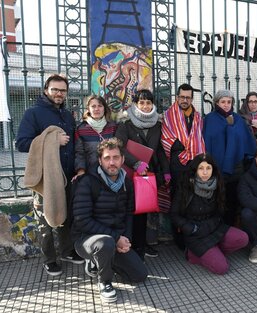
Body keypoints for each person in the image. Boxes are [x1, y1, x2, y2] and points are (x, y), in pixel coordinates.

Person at [16, 74, 83, 276]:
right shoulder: (33, 113)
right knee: (45, 220)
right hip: (45, 178)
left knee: (64, 216)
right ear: (46, 90)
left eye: (62, 90)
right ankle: (49, 259)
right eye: (55, 89)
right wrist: (53, 140)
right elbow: (22, 143)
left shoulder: (68, 115)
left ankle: (67, 251)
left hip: (67, 175)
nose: (59, 94)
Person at [72, 138, 148, 303]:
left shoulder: (126, 182)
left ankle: (100, 261)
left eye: (115, 157)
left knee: (140, 275)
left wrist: (125, 239)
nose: (111, 162)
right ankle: (104, 282)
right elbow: (82, 220)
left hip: (115, 238)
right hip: (87, 239)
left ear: (122, 159)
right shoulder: (88, 182)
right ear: (100, 160)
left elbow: (128, 213)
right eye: (107, 158)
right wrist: (115, 238)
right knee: (105, 243)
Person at [170, 153, 248, 275]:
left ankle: (213, 251)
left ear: (213, 169)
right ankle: (193, 254)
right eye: (201, 168)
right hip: (195, 233)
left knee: (242, 238)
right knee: (221, 268)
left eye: (208, 168)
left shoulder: (218, 184)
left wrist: (213, 224)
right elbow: (174, 214)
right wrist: (190, 228)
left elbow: (220, 211)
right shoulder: (186, 187)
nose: (205, 172)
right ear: (195, 170)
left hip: (214, 227)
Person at [115, 89, 169, 258]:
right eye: (141, 102)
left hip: (147, 176)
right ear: (135, 104)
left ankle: (142, 245)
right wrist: (136, 163)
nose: (145, 106)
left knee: (143, 210)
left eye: (148, 102)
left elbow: (159, 150)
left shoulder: (157, 124)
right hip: (130, 175)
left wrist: (166, 171)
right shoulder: (125, 123)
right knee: (131, 211)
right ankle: (131, 247)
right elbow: (120, 146)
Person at [203, 89, 257, 225]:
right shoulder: (209, 119)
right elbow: (206, 142)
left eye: (229, 102)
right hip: (216, 167)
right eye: (223, 102)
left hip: (236, 168)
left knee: (233, 201)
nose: (226, 105)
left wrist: (231, 126)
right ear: (216, 103)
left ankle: (231, 230)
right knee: (217, 201)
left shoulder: (237, 119)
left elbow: (246, 142)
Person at [161, 83, 205, 197]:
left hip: (195, 160)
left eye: (188, 98)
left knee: (194, 192)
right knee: (177, 194)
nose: (184, 100)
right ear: (177, 97)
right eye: (182, 97)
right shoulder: (167, 116)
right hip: (176, 162)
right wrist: (184, 145)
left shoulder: (198, 117)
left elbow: (199, 138)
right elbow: (165, 139)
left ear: (192, 99)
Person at [73, 95, 117, 180]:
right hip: (90, 175)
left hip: (111, 173)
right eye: (93, 106)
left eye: (100, 106)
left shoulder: (113, 127)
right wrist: (81, 171)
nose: (97, 109)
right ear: (88, 109)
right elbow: (79, 153)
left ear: (104, 108)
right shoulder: (81, 129)